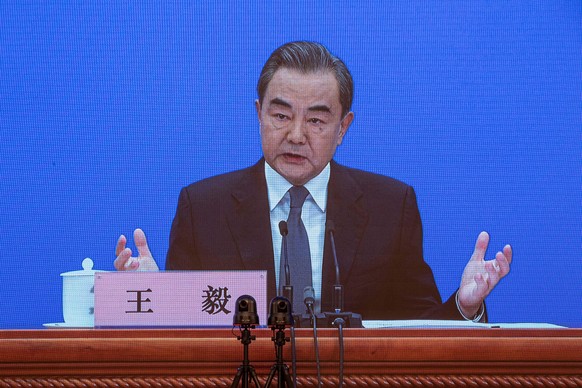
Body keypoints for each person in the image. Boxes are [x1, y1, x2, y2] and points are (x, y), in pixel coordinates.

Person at [114, 41, 511, 321]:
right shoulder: (204, 208)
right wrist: (153, 300)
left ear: (343, 128)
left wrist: (465, 305)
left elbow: (418, 327)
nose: (297, 135)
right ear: (259, 113)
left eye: (317, 120)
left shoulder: (391, 207)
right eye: (281, 115)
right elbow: (187, 328)